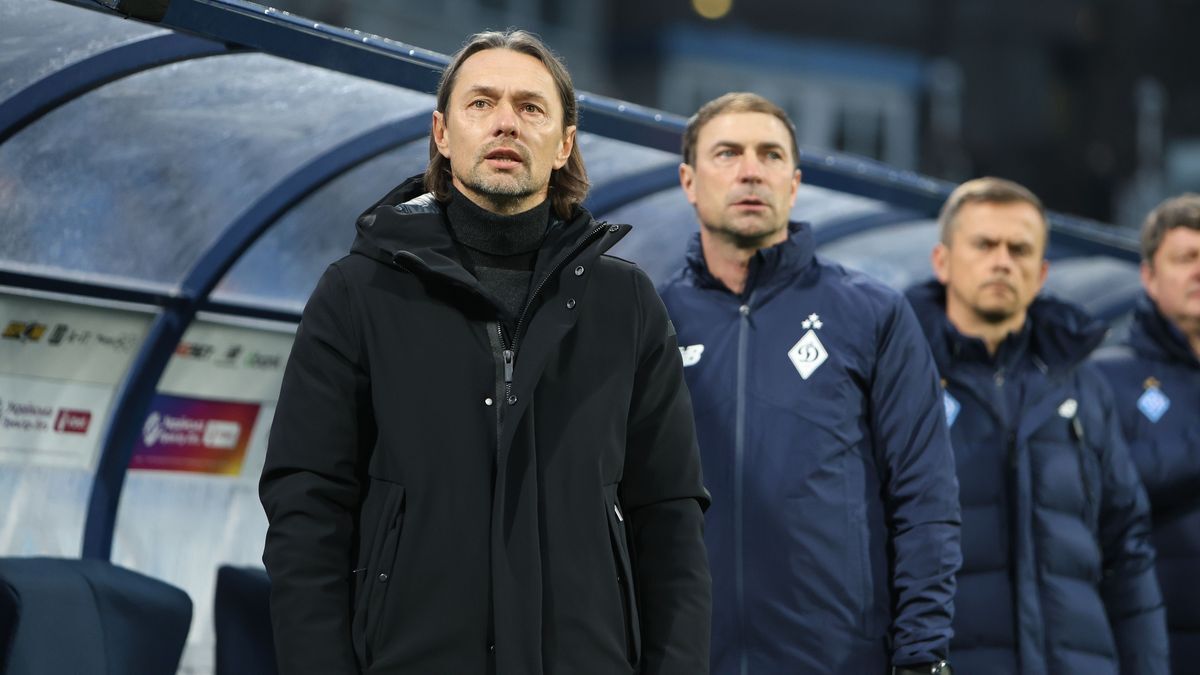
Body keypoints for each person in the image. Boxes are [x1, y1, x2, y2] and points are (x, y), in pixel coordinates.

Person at [259, 30, 711, 675]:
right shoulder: (360, 291)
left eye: (531, 107)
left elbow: (668, 515)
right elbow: (307, 506)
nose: (506, 122)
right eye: (481, 103)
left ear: (564, 145)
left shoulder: (626, 302)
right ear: (442, 134)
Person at [658, 92, 961, 675]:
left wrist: (922, 655)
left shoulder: (872, 313)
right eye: (727, 153)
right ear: (689, 181)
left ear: (793, 184)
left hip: (837, 661)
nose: (751, 171)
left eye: (770, 155)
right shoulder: (650, 320)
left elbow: (925, 496)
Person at [905, 177, 1169, 674]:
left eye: (1020, 249)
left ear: (1042, 272)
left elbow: (1127, 549)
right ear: (942, 261)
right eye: (985, 245)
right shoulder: (898, 378)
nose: (1002, 261)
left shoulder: (1082, 386)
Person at [1093, 193, 1200, 674]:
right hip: (1152, 644)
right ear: (1149, 277)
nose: (1199, 271)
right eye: (1185, 258)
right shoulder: (1106, 377)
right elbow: (1100, 489)